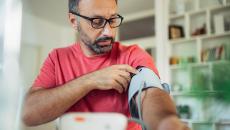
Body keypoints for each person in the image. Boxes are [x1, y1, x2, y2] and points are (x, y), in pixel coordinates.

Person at [22, 0, 189, 130]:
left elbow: (150, 92)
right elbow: (28, 114)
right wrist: (91, 80)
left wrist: (166, 123)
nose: (109, 31)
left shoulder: (133, 54)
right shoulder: (57, 58)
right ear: (74, 21)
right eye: (97, 21)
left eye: (113, 19)